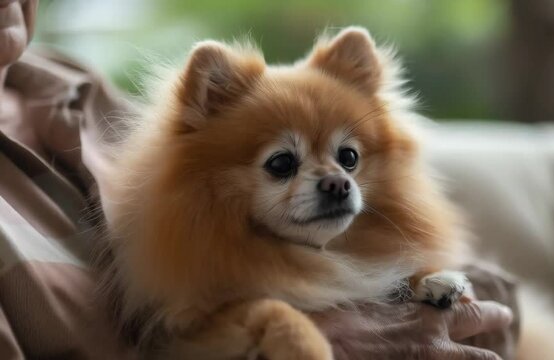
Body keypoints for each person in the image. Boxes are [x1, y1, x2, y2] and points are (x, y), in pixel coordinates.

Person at [0, 1, 517, 359]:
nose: (335, 179)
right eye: (281, 165)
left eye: (348, 157)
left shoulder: (76, 87)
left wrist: (434, 291)